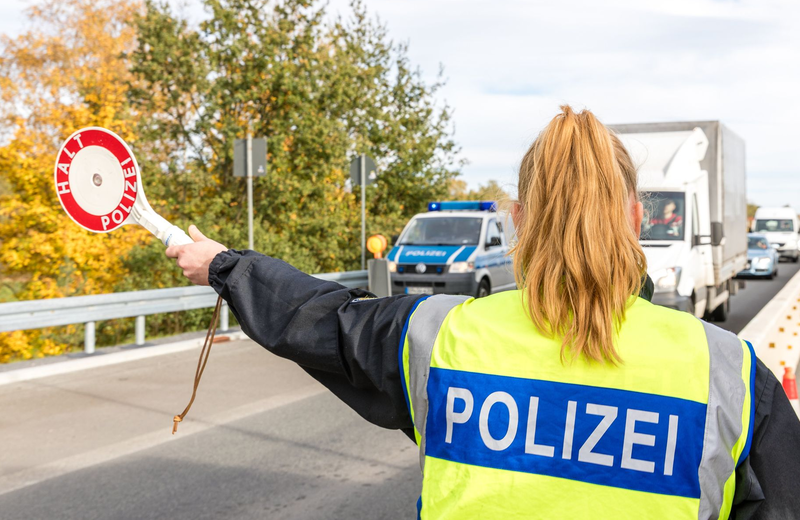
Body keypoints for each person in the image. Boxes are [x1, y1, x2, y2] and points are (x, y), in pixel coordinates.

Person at [167, 106, 800, 519]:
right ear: (635, 217)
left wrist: (224, 265)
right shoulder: (728, 372)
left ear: (519, 221)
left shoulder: (439, 336)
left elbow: (317, 318)